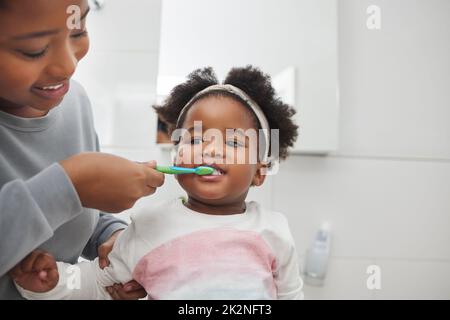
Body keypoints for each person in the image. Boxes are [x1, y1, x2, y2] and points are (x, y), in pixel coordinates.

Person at [14, 66, 302, 300]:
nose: (210, 150)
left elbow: (291, 295)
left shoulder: (273, 232)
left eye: (233, 141)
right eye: (196, 139)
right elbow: (96, 282)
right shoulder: (149, 226)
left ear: (259, 171)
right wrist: (50, 282)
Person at [0, 0, 164, 299]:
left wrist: (111, 236)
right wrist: (71, 184)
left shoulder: (74, 100)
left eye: (78, 31)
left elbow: (81, 216)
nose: (69, 66)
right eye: (34, 50)